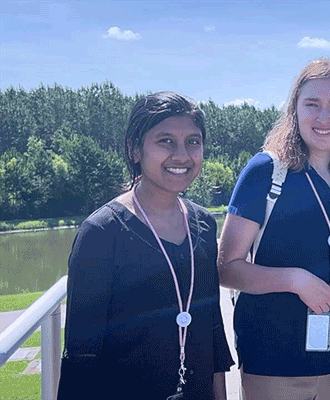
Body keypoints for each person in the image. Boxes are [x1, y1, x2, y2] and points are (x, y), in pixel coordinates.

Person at [217, 58, 330, 400]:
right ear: (294, 109)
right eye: (312, 104)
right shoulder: (265, 172)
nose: (325, 117)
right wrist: (294, 280)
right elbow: (226, 268)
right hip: (271, 363)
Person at [57, 92, 234, 400]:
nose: (182, 155)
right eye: (166, 141)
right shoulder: (102, 233)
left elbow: (212, 332)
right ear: (135, 149)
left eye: (193, 141)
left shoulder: (204, 224)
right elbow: (81, 359)